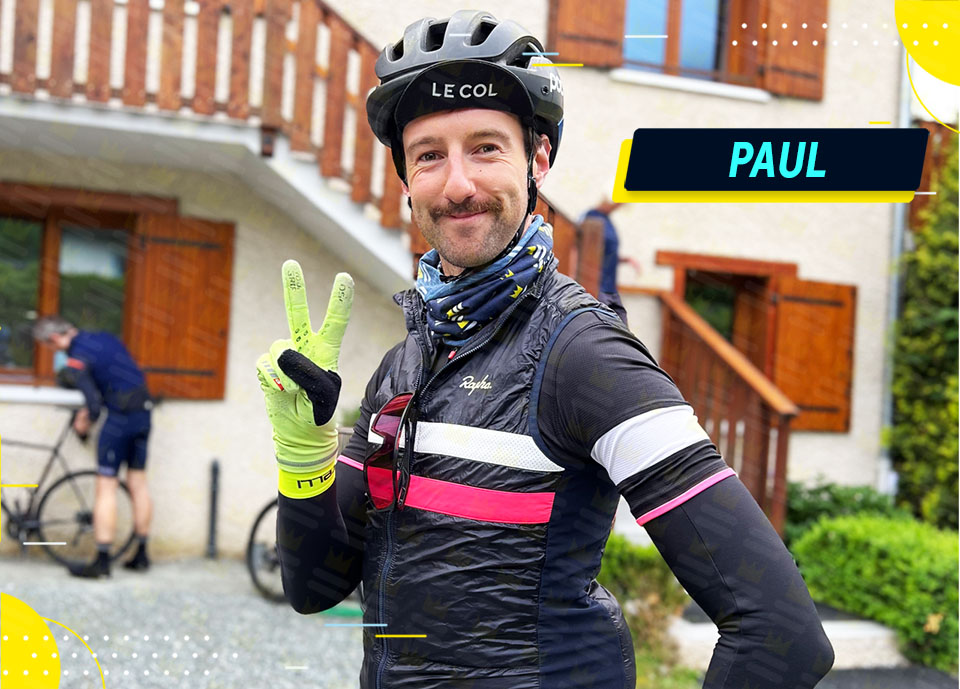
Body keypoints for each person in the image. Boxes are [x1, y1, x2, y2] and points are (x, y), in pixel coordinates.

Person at [256, 11, 834, 688]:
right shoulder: (404, 365)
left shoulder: (584, 354)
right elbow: (315, 586)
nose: (459, 183)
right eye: (430, 155)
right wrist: (304, 458)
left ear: (538, 160)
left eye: (486, 148)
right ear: (406, 180)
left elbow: (781, 631)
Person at [32, 316, 154, 577]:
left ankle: (102, 561)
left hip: (120, 418)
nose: (56, 353)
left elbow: (94, 405)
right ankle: (142, 555)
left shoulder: (78, 355)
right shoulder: (104, 337)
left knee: (106, 487)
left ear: (55, 340)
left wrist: (83, 423)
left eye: (52, 348)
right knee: (138, 484)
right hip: (144, 413)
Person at [581, 193, 642, 327]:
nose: (618, 207)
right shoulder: (592, 217)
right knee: (602, 328)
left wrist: (625, 260)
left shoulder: (607, 221)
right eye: (617, 203)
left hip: (610, 288)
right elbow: (585, 250)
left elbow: (607, 253)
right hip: (597, 287)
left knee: (622, 327)